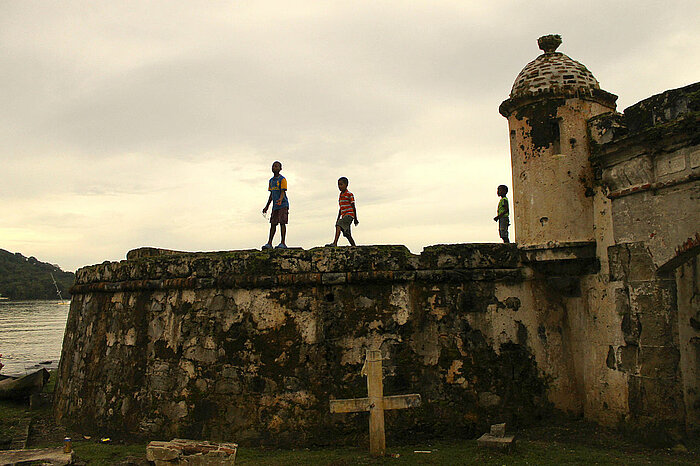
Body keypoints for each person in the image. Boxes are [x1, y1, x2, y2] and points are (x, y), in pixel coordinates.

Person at [262, 161, 289, 249]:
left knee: (282, 222)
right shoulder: (271, 181)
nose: (274, 168)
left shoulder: (282, 179)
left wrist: (280, 199)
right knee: (273, 223)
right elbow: (271, 195)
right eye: (273, 166)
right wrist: (267, 206)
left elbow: (283, 191)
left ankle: (283, 242)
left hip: (283, 204)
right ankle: (269, 243)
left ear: (280, 169)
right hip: (275, 206)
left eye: (276, 166)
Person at [326, 177, 359, 247]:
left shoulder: (349, 194)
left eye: (341, 184)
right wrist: (338, 217)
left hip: (349, 215)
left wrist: (355, 218)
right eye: (338, 185)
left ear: (346, 185)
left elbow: (353, 207)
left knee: (339, 225)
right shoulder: (341, 195)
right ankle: (354, 247)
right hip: (344, 215)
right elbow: (341, 208)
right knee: (347, 234)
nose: (339, 186)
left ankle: (335, 243)